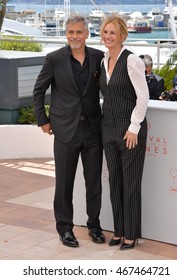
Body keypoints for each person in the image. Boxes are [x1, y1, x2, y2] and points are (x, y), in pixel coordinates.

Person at [33, 15, 105, 248]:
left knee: (94, 182)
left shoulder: (98, 57)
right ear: (66, 34)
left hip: (93, 130)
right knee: (64, 183)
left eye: (79, 32)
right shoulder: (54, 59)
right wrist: (42, 120)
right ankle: (65, 228)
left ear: (86, 34)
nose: (74, 36)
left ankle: (94, 225)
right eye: (70, 32)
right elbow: (38, 91)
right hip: (65, 130)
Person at [99, 16, 149, 250]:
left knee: (130, 183)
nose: (108, 36)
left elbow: (143, 97)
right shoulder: (103, 60)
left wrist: (134, 127)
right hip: (107, 128)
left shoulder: (132, 61)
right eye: (105, 32)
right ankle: (119, 230)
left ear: (122, 35)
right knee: (115, 182)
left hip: (129, 131)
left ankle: (131, 233)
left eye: (112, 33)